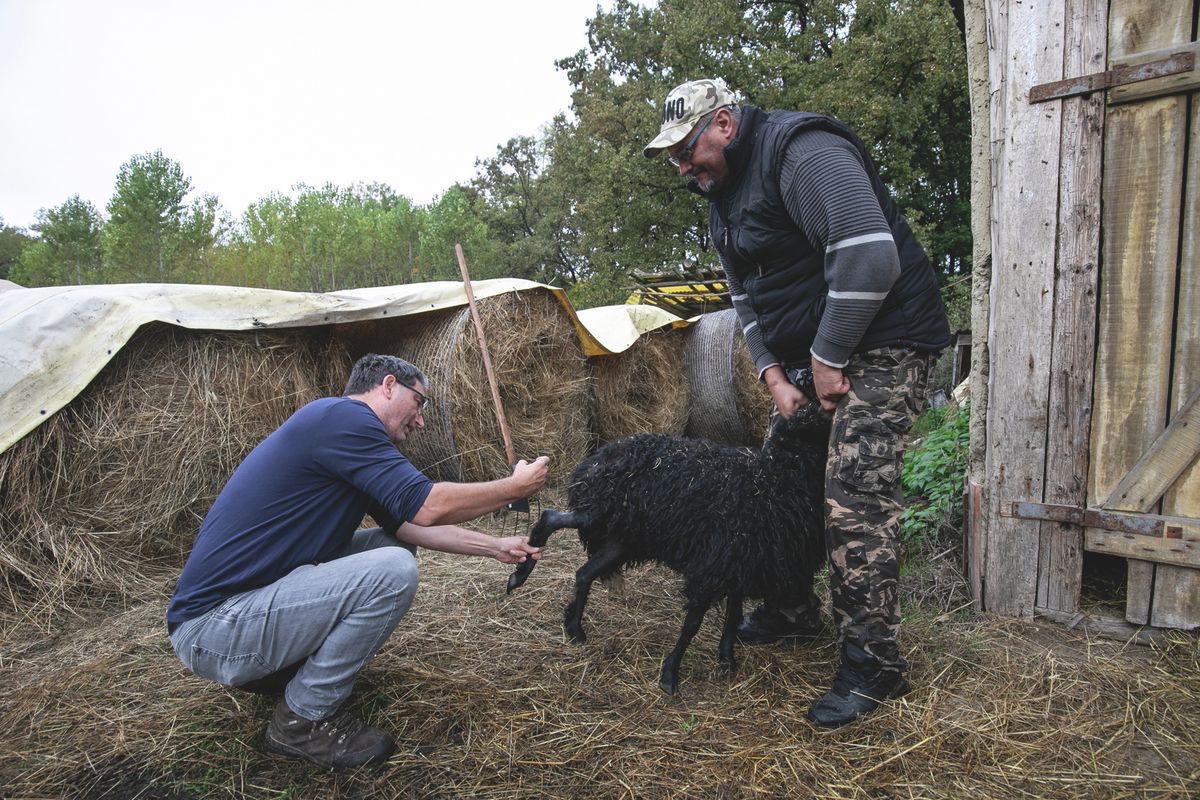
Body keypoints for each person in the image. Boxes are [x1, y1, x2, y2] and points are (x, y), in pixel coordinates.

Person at [644, 79, 951, 728]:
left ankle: (875, 667)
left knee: (854, 498)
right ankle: (790, 612)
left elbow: (870, 258)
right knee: (773, 487)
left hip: (886, 340)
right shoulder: (721, 199)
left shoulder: (802, 151)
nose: (680, 166)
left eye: (685, 149)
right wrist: (772, 377)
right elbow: (746, 301)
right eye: (671, 156)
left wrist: (829, 356)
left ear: (724, 123)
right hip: (814, 357)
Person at [167, 353, 549, 769]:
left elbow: (408, 525)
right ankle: (300, 720)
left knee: (390, 546)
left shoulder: (342, 437)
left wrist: (493, 546)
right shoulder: (344, 419)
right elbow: (427, 506)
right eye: (420, 403)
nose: (420, 421)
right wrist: (514, 486)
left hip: (247, 612)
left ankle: (289, 675)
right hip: (216, 627)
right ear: (388, 385)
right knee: (392, 570)